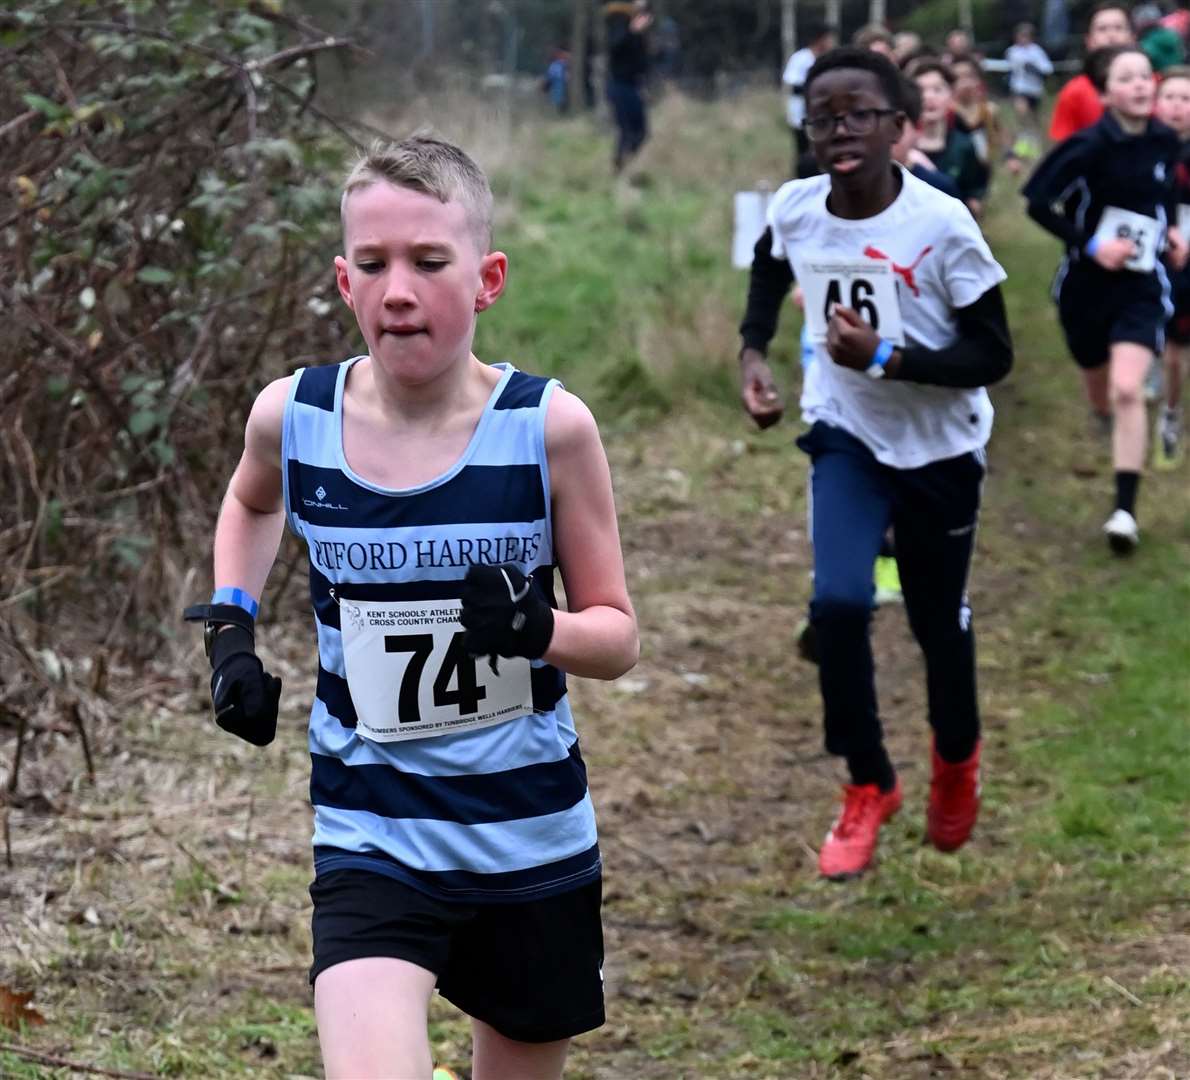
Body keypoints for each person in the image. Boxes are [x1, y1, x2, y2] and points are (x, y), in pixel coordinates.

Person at [183, 135, 639, 1079]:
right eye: (377, 265)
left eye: (430, 262)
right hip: (370, 836)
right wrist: (231, 629)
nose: (400, 291)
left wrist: (536, 629)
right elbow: (251, 500)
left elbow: (618, 637)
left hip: (528, 840)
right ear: (343, 280)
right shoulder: (294, 416)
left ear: (487, 279)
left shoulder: (548, 430)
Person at [736, 46, 1012, 880]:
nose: (840, 130)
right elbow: (767, 265)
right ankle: (867, 782)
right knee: (840, 603)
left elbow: (992, 354)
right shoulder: (795, 208)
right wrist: (754, 353)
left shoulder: (941, 224)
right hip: (847, 432)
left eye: (859, 113)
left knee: (936, 624)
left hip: (940, 446)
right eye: (824, 117)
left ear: (902, 127)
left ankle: (955, 759)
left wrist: (888, 356)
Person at [1024, 46, 1188, 552]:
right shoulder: (1088, 146)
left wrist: (1171, 233)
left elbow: (1160, 193)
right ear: (1107, 93)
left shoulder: (1165, 141)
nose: (1140, 86)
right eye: (1127, 78)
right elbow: (1036, 201)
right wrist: (1091, 244)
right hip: (1085, 286)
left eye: (1146, 77)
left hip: (1141, 284)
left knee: (1127, 389)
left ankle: (1124, 511)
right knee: (1098, 383)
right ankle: (1105, 419)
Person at [1153, 66, 1190, 466]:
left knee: (1177, 345)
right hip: (1153, 256)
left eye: (1186, 99)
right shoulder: (1145, 149)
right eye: (1171, 97)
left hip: (1185, 257)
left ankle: (1171, 410)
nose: (1178, 107)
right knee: (1164, 342)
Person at [1049, 3, 1133, 142]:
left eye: (1118, 28)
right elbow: (1063, 149)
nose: (1111, 35)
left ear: (1131, 36)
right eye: (1102, 29)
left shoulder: (1152, 85)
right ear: (1089, 40)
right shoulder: (1073, 92)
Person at [914, 59, 988, 216]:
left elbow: (974, 189)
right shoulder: (900, 148)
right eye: (920, 90)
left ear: (951, 95)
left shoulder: (964, 144)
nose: (928, 97)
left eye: (937, 89)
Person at [784, 23, 838, 176]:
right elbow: (793, 85)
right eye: (828, 39)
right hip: (800, 113)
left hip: (822, 113)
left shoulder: (827, 58)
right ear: (819, 39)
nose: (831, 43)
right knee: (803, 151)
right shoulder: (801, 58)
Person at [605, 0, 653, 172]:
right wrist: (633, 31)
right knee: (626, 132)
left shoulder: (639, 26)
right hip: (619, 85)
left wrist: (645, 85)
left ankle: (625, 167)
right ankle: (619, 170)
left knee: (642, 133)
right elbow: (615, 47)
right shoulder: (618, 20)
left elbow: (642, 61)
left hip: (634, 86)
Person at [951, 54, 1013, 176]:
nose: (965, 83)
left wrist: (1010, 157)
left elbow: (1002, 136)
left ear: (978, 80)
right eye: (958, 78)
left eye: (969, 76)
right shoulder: (948, 114)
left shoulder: (989, 110)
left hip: (987, 170)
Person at [1005, 22, 1054, 161]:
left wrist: (1034, 68)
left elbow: (1047, 69)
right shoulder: (1012, 51)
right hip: (1020, 89)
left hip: (1035, 90)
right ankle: (1022, 147)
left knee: (1034, 120)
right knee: (1023, 116)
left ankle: (1034, 147)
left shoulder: (1036, 51)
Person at [1134, 3, 1186, 72]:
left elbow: (1148, 54)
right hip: (1180, 70)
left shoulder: (1146, 41)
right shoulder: (1171, 33)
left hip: (1163, 75)